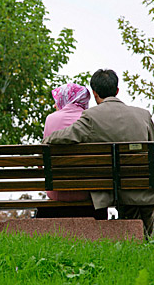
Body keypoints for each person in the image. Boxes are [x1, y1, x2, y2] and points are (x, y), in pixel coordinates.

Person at [43, 69, 154, 236]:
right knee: (142, 233)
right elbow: (153, 150)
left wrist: (47, 139)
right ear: (117, 90)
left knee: (133, 229)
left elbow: (63, 137)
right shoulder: (143, 115)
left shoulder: (91, 117)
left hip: (115, 191)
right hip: (146, 187)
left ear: (94, 93)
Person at [37, 83, 107, 219]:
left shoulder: (51, 119)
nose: (54, 105)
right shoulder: (91, 119)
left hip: (57, 192)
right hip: (86, 192)